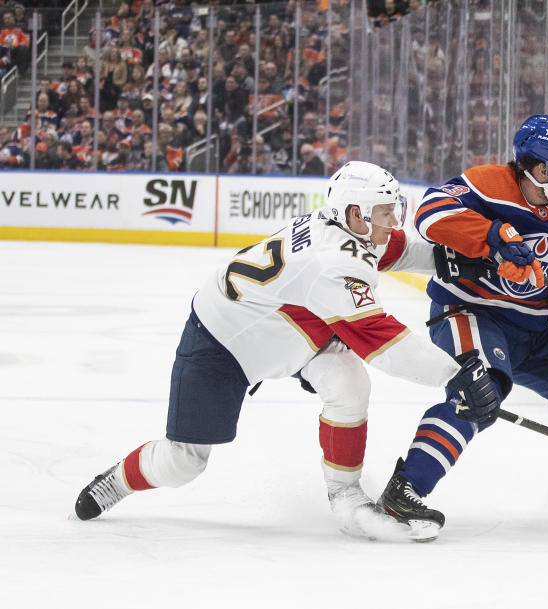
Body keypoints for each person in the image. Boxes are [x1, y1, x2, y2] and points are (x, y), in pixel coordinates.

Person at [73, 161, 500, 542]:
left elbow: (398, 250)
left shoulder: (344, 228)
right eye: (387, 213)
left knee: (349, 382)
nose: (394, 221)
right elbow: (382, 341)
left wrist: (456, 260)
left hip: (292, 326)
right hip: (223, 344)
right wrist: (456, 375)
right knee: (184, 461)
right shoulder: (333, 262)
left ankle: (346, 497)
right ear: (357, 213)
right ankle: (117, 482)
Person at [374, 115, 548, 537]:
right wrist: (492, 234)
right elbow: (430, 214)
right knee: (480, 392)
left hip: (532, 332)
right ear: (541, 170)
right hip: (469, 313)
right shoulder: (487, 183)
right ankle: (403, 492)